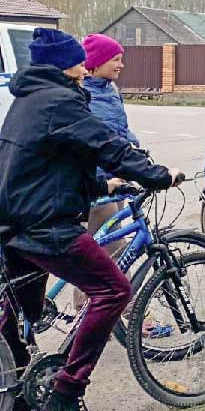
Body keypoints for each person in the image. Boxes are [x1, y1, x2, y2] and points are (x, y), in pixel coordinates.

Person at [0, 28, 180, 411]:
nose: (85, 65)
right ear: (66, 66)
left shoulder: (29, 98)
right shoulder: (59, 101)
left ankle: (14, 390)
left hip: (14, 220)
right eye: (79, 60)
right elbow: (105, 145)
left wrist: (105, 185)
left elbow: (56, 158)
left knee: (21, 316)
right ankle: (67, 391)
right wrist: (158, 174)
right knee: (114, 290)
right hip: (44, 223)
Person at [81, 34, 139, 259]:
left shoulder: (111, 90)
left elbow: (119, 128)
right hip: (98, 181)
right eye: (115, 59)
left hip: (116, 177)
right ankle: (101, 295)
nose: (121, 65)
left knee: (103, 249)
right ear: (97, 62)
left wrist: (133, 144)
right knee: (108, 252)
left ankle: (99, 294)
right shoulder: (83, 94)